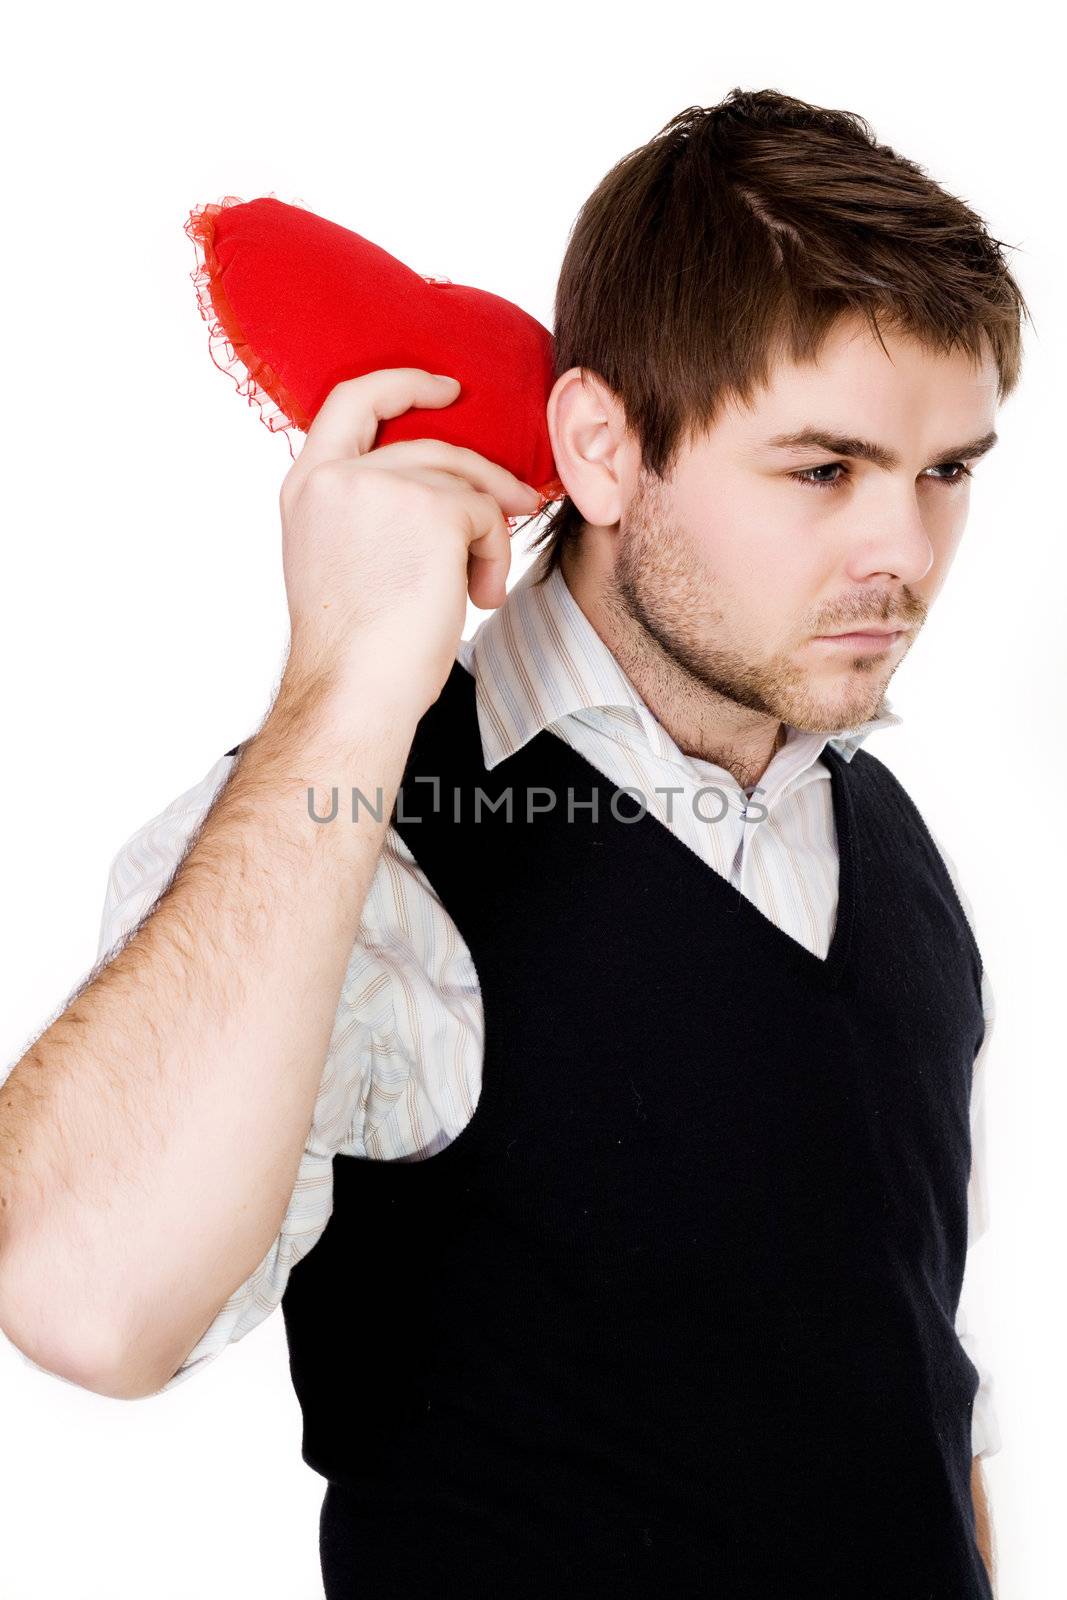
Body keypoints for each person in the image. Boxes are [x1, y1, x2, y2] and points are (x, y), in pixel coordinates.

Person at [0, 87, 1026, 1597]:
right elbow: (86, 1304)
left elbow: (924, 1383)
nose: (906, 555)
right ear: (604, 451)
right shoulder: (354, 831)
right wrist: (346, 680)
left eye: (947, 474)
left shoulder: (892, 838)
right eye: (825, 469)